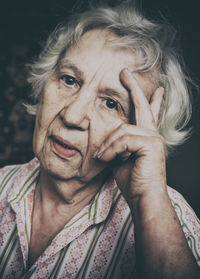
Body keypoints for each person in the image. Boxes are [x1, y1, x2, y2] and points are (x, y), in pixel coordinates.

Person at [0, 2, 199, 278]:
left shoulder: (171, 217)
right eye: (69, 80)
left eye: (109, 102)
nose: (72, 115)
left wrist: (147, 198)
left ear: (140, 131)